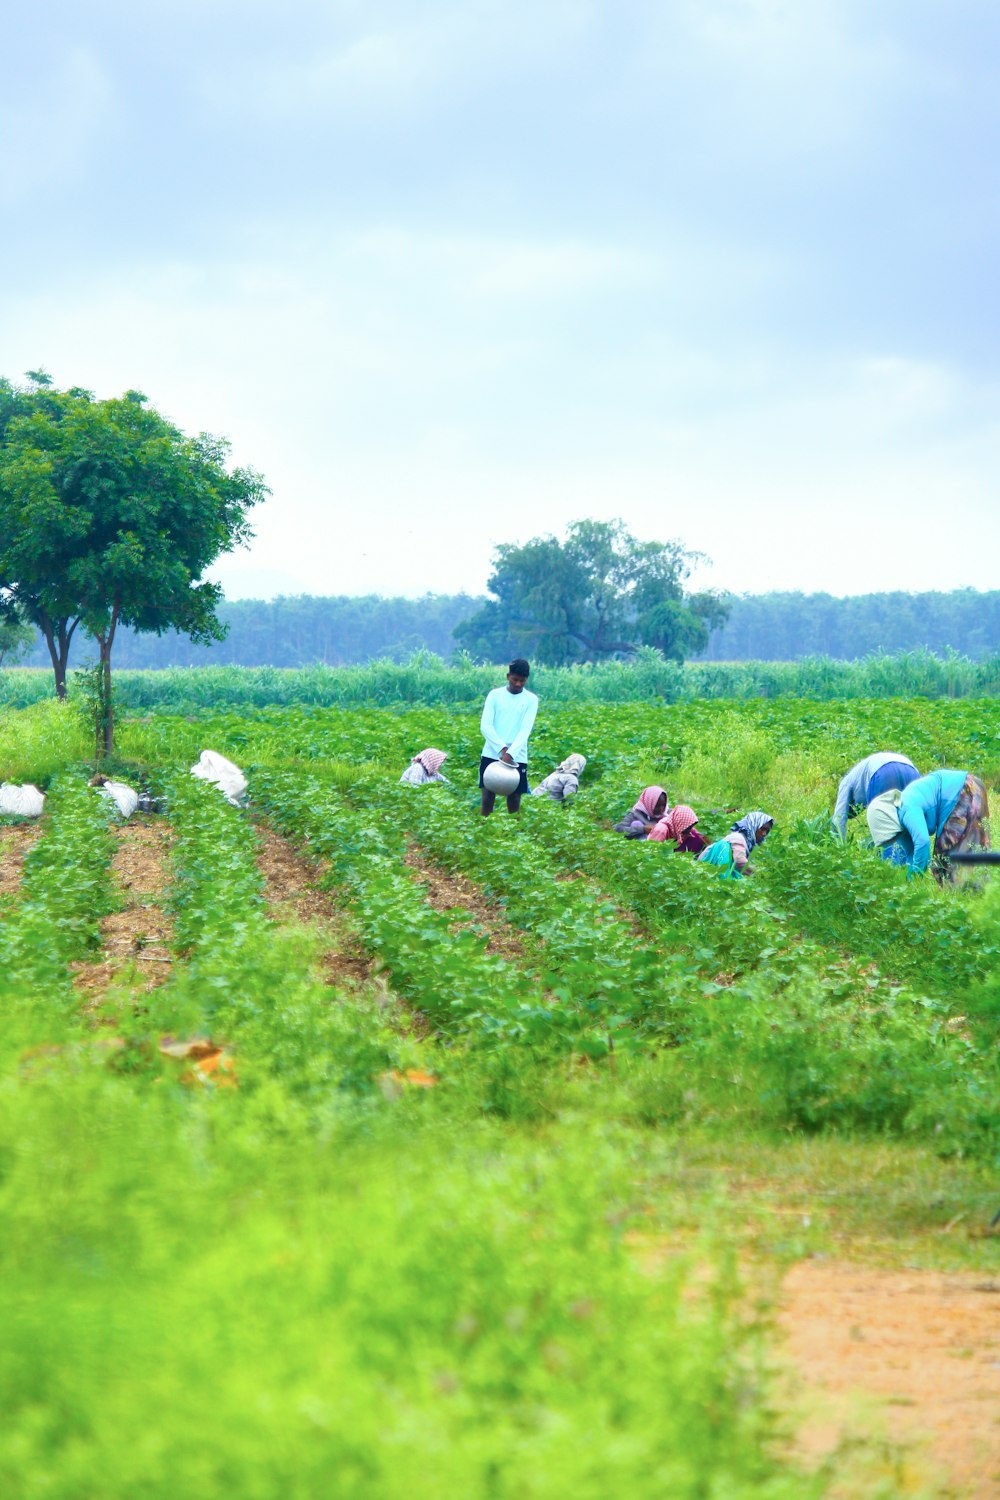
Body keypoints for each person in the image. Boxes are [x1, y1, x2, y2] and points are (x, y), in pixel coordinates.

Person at [866, 770, 989, 878]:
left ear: (886, 821)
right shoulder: (901, 826)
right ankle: (980, 892)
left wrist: (915, 877)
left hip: (963, 789)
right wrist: (909, 879)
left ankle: (952, 897)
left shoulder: (906, 807)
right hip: (971, 786)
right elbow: (911, 853)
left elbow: (922, 842)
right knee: (975, 847)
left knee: (942, 859)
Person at [479, 658, 539, 817]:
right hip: (492, 753)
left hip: (518, 755)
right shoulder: (495, 695)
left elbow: (525, 731)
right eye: (515, 679)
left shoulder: (531, 700)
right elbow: (485, 726)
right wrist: (502, 749)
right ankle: (484, 830)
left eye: (522, 680)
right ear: (508, 676)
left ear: (527, 679)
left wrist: (511, 754)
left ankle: (515, 834)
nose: (518, 683)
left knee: (514, 799)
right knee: (487, 798)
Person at [832, 752, 919, 838]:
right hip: (911, 770)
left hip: (882, 771)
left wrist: (839, 846)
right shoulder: (857, 776)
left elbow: (838, 819)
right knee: (911, 823)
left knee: (883, 830)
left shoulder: (845, 783)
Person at [699, 810, 774, 879]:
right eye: (762, 829)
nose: (764, 834)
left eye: (767, 831)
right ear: (753, 826)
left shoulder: (748, 842)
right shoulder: (738, 838)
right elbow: (740, 861)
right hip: (706, 866)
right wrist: (760, 875)